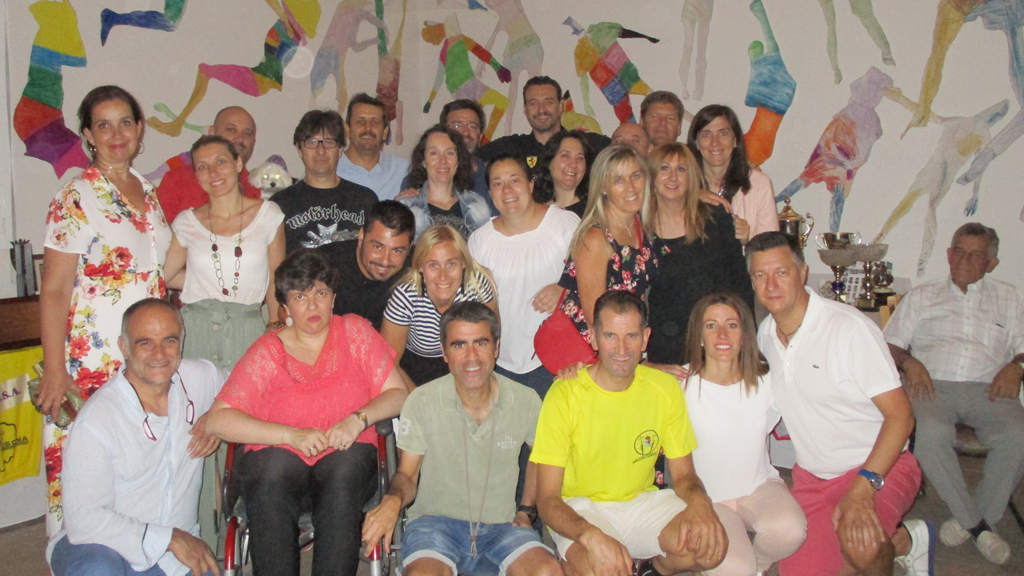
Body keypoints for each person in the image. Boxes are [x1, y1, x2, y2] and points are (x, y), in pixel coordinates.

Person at [206, 249, 409, 576]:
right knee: (271, 470)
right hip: (279, 468)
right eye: (301, 296)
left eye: (321, 293)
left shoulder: (355, 333)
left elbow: (397, 394)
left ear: (333, 298)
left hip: (347, 465)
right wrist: (289, 435)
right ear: (285, 305)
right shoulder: (268, 350)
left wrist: (358, 419)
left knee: (343, 470)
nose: (313, 305)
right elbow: (219, 418)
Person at [747, 232, 932, 576]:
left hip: (880, 466)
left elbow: (901, 418)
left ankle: (890, 545)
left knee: (861, 548)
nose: (771, 284)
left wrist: (863, 487)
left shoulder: (849, 329)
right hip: (813, 479)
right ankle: (906, 541)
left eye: (782, 272)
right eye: (760, 275)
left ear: (802, 273)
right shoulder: (765, 335)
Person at [38, 85, 172, 535]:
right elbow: (54, 290)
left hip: (147, 353)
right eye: (104, 124)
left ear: (139, 131)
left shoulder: (149, 192)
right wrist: (56, 372)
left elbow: (161, 270)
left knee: (137, 469)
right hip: (92, 358)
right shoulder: (75, 197)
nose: (116, 134)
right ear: (87, 136)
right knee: (83, 470)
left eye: (126, 122)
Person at [532, 290, 727, 576]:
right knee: (606, 568)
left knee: (711, 548)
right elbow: (547, 500)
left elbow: (684, 477)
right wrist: (591, 536)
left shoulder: (664, 388)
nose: (622, 349)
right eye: (610, 336)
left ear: (645, 337)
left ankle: (652, 569)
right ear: (594, 337)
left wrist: (702, 505)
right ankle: (574, 562)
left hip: (641, 502)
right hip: (582, 507)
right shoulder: (564, 394)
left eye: (631, 336)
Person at [362, 302, 563, 576]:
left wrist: (526, 510)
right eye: (459, 345)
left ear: (496, 347)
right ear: (444, 353)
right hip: (434, 526)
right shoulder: (422, 401)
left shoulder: (525, 400)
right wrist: (393, 500)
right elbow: (407, 476)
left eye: (481, 343)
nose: (472, 356)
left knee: (548, 571)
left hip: (502, 528)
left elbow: (540, 455)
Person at [46, 299, 226, 576]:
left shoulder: (199, 378)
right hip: (102, 547)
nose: (159, 354)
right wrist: (169, 538)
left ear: (182, 340)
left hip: (175, 560)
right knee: (97, 570)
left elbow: (251, 387)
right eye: (145, 343)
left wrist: (217, 419)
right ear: (124, 347)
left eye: (169, 340)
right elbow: (85, 520)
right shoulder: (97, 420)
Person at [884, 223, 1024, 565]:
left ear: (991, 263)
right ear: (948, 254)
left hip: (990, 386)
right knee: (930, 433)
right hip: (932, 384)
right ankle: (980, 527)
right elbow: (889, 345)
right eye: (958, 250)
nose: (963, 259)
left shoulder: (1009, 297)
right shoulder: (923, 295)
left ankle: (970, 521)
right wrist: (910, 362)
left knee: (1017, 435)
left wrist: (1017, 367)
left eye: (975, 254)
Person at [680, 291, 806, 576]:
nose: (722, 334)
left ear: (744, 334)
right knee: (736, 570)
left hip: (758, 487)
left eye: (732, 325)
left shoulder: (767, 381)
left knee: (791, 531)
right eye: (711, 325)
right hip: (708, 500)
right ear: (699, 336)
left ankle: (758, 566)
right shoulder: (680, 385)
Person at [164, 135, 286, 369]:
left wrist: (274, 324)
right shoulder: (186, 222)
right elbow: (164, 275)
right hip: (196, 330)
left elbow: (275, 278)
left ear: (238, 164)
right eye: (202, 167)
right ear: (197, 175)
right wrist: (198, 282)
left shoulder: (269, 215)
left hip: (247, 328)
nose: (213, 172)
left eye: (221, 162)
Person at [469, 154, 580, 397]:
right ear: (490, 192)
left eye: (514, 180)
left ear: (531, 184)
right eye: (497, 183)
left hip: (558, 359)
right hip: (502, 361)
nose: (507, 190)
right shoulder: (480, 241)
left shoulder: (565, 224)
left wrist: (566, 285)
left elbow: (593, 276)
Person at [645, 143, 754, 370]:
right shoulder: (637, 228)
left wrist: (746, 344)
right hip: (663, 349)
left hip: (716, 344)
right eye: (664, 168)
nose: (673, 177)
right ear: (652, 175)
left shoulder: (716, 219)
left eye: (682, 169)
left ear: (692, 176)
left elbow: (740, 285)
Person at [557, 144, 658, 345]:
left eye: (636, 175)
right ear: (603, 187)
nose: (631, 186)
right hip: (593, 348)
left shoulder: (640, 224)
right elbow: (594, 318)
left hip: (625, 340)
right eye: (619, 180)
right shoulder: (595, 238)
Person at [382, 225, 499, 386]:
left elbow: (491, 340)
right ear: (421, 267)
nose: (443, 276)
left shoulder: (477, 287)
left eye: (451, 264)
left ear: (463, 263)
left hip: (466, 361)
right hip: (416, 370)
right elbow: (388, 362)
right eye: (433, 265)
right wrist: (417, 400)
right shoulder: (406, 296)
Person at [271, 109, 378, 253]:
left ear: (340, 149)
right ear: (299, 149)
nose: (320, 151)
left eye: (329, 142)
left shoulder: (365, 199)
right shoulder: (279, 204)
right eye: (311, 142)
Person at [156, 106, 262, 225]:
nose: (240, 139)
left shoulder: (260, 188)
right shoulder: (176, 181)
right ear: (212, 132)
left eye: (247, 133)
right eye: (231, 130)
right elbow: (161, 236)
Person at [687, 105, 779, 241]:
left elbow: (769, 249)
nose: (715, 142)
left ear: (735, 140)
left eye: (723, 133)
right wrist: (690, 197)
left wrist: (747, 240)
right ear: (696, 143)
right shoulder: (681, 183)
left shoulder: (759, 184)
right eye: (706, 134)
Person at [319, 200, 415, 330]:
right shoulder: (323, 264)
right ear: (361, 236)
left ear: (409, 248)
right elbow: (287, 310)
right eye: (377, 246)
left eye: (397, 251)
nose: (385, 261)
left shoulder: (420, 266)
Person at [478, 76, 609, 167]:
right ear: (525, 109)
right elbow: (471, 162)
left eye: (548, 102)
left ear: (560, 106)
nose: (541, 110)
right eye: (533, 103)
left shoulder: (589, 144)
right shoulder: (510, 148)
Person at [398, 125, 492, 241]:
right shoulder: (407, 207)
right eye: (434, 153)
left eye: (449, 153)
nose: (442, 160)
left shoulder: (477, 204)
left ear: (458, 161)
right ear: (423, 161)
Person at [337, 93, 411, 201]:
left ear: (385, 132)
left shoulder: (404, 170)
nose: (368, 128)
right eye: (360, 121)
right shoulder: (330, 170)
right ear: (347, 130)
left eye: (375, 122)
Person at [532, 131, 595, 218]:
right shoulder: (534, 209)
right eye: (565, 156)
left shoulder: (594, 211)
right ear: (549, 162)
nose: (573, 164)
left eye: (579, 158)